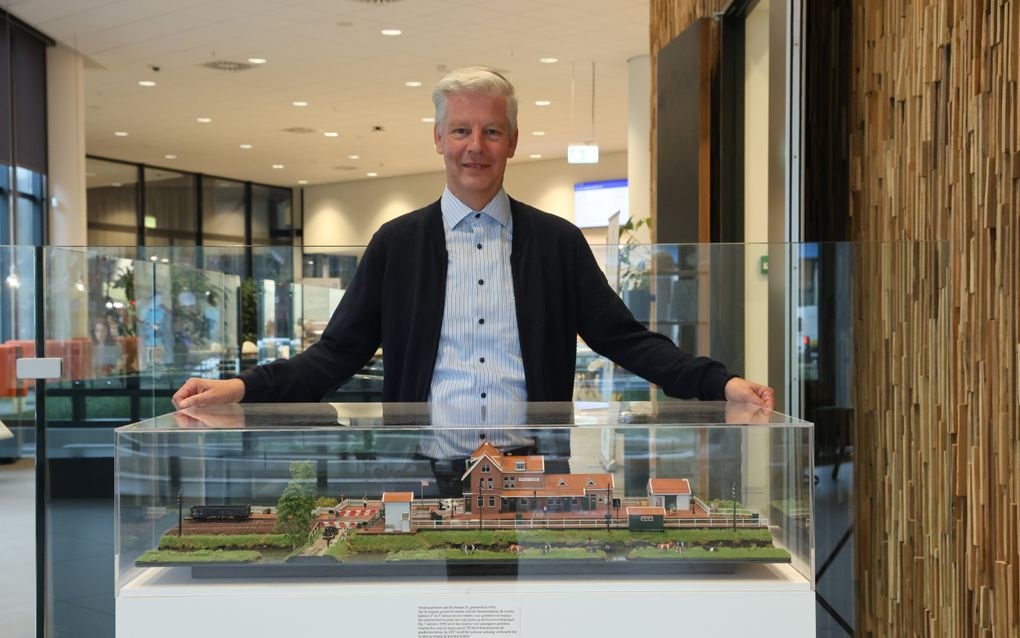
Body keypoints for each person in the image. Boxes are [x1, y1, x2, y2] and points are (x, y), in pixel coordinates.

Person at [173, 66, 774, 411]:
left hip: (535, 471)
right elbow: (333, 356)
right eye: (461, 129)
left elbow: (627, 341)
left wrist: (720, 383)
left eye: (491, 131)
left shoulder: (559, 242)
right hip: (421, 466)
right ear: (437, 138)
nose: (475, 146)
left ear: (513, 141)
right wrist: (240, 387)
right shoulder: (396, 244)